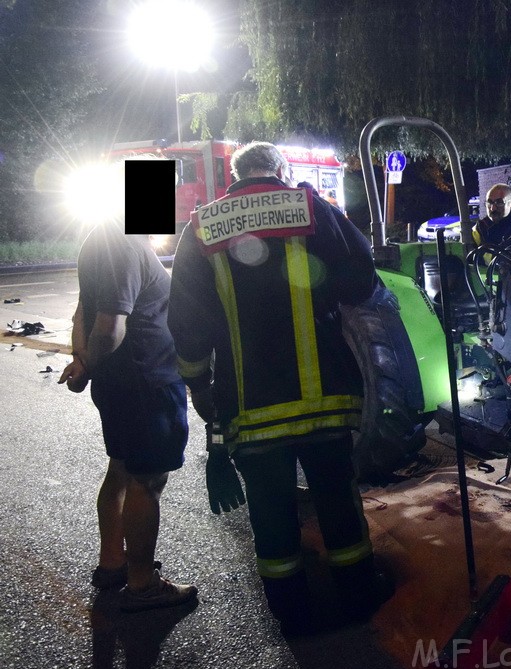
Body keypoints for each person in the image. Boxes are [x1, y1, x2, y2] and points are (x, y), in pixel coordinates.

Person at [167, 141, 388, 635]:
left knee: (270, 513)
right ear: (282, 172)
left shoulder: (202, 227)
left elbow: (187, 320)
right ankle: (357, 596)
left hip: (251, 406)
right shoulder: (311, 208)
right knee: (336, 500)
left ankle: (293, 615)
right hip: (325, 400)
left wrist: (199, 385)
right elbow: (361, 280)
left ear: (236, 176)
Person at [58, 169, 197, 612]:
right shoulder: (124, 242)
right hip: (146, 382)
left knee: (119, 469)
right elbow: (110, 326)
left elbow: (83, 307)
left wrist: (82, 361)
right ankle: (141, 582)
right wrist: (88, 363)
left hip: (121, 383)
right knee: (146, 481)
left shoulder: (98, 239)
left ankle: (112, 563)